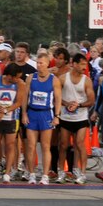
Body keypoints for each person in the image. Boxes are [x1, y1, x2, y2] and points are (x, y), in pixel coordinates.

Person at [22, 48, 62, 185]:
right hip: (32, 112)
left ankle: (45, 174)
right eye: (37, 63)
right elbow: (25, 96)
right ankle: (32, 173)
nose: (39, 65)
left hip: (46, 114)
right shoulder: (31, 78)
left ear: (47, 64)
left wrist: (57, 116)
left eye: (42, 63)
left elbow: (58, 99)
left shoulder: (53, 80)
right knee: (31, 146)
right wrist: (24, 113)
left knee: (45, 146)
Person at [57, 52, 94, 184]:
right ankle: (61, 171)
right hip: (66, 117)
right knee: (63, 145)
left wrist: (79, 105)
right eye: (82, 64)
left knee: (79, 144)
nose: (84, 67)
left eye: (86, 64)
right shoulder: (63, 78)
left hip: (81, 117)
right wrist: (66, 104)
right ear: (75, 64)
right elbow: (56, 97)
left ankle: (81, 172)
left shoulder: (86, 80)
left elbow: (91, 100)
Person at [0, 62, 26, 183]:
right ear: (9, 75)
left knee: (10, 145)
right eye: (16, 77)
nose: (18, 79)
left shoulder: (20, 84)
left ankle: (8, 172)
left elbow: (19, 102)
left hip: (12, 118)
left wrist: (4, 111)